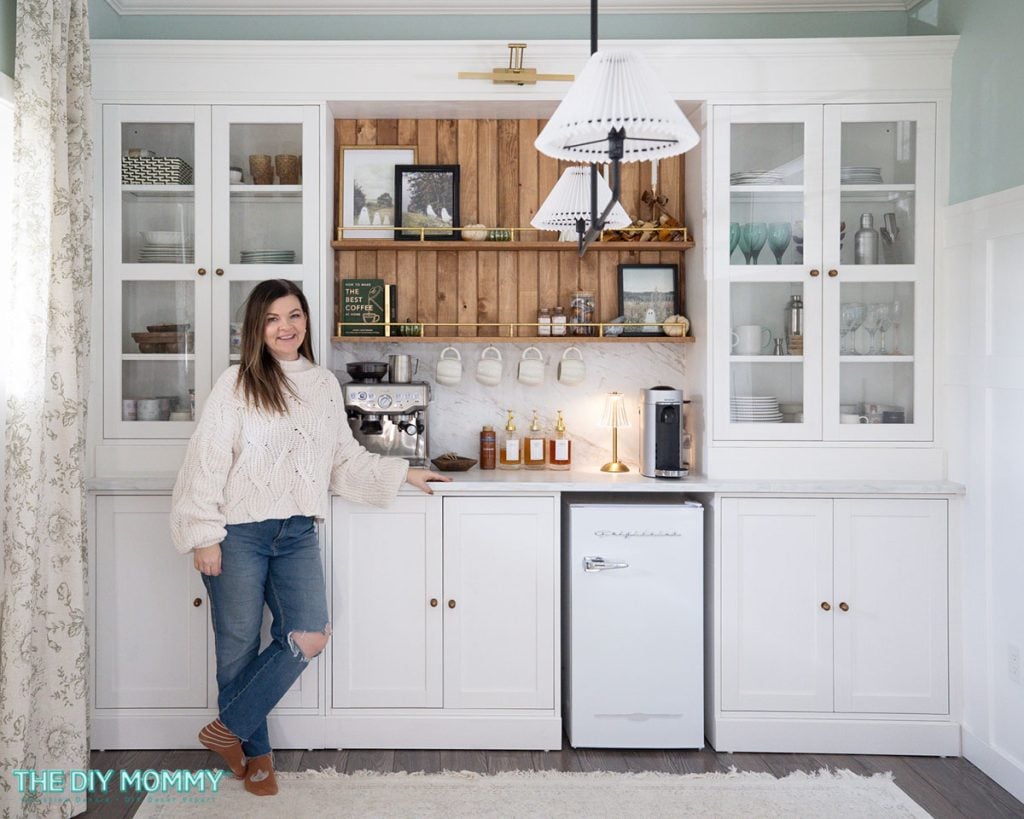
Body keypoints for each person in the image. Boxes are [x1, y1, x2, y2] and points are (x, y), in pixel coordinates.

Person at [169, 278, 448, 796]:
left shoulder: (321, 384)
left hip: (296, 530)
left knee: (309, 634)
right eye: (273, 318)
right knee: (237, 647)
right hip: (237, 532)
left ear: (305, 322)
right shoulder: (235, 383)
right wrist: (203, 534)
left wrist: (404, 473)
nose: (286, 327)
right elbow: (205, 462)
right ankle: (258, 758)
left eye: (294, 315)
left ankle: (225, 730)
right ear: (257, 327)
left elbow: (342, 459)